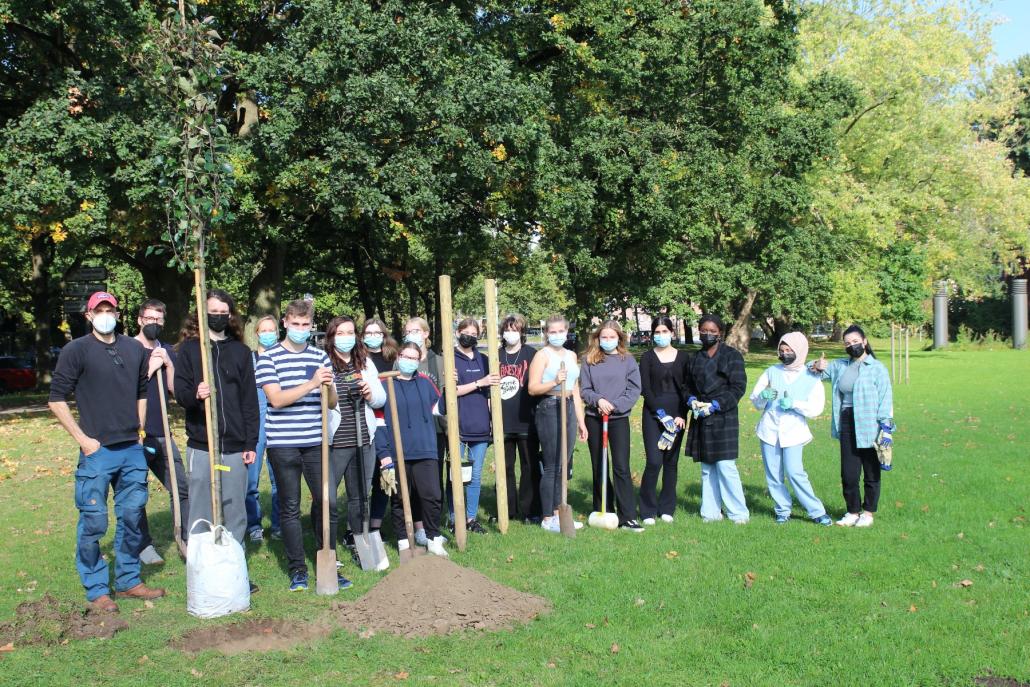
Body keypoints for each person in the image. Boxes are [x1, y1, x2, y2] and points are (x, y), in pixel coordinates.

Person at [48, 291, 165, 612]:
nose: (104, 314)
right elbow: (56, 399)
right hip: (97, 452)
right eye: (98, 310)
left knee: (131, 518)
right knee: (94, 521)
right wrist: (83, 440)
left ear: (117, 313)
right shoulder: (76, 350)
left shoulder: (132, 348)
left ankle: (129, 581)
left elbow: (143, 390)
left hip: (131, 449)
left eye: (109, 309)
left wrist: (140, 431)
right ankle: (97, 588)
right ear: (88, 315)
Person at [255, 299, 348, 592]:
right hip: (284, 443)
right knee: (291, 506)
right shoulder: (268, 358)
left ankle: (328, 562)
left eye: (305, 325)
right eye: (295, 324)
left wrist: (328, 384)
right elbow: (276, 399)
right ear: (285, 323)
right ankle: (297, 569)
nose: (300, 329)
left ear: (312, 326)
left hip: (317, 443)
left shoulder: (320, 357)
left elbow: (331, 403)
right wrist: (310, 384)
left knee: (328, 502)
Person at [173, 290, 260, 555]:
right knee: (200, 508)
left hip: (234, 446)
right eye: (213, 313)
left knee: (234, 509)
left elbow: (249, 401)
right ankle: (202, 565)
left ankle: (232, 564)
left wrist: (250, 442)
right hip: (202, 444)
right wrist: (196, 395)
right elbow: (181, 394)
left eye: (224, 313)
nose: (219, 318)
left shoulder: (241, 352)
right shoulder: (190, 351)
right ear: (201, 314)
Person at [810, 325, 894, 528]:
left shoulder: (877, 368)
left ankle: (868, 512)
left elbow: (885, 398)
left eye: (855, 341)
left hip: (870, 423)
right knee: (849, 472)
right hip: (847, 420)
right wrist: (817, 363)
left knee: (871, 471)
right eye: (847, 343)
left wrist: (886, 427)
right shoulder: (840, 366)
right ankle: (852, 511)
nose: (852, 345)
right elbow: (813, 370)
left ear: (864, 342)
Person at [749, 332, 832, 526]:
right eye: (782, 350)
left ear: (800, 351)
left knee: (795, 472)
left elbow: (816, 408)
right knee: (773, 474)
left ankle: (816, 511)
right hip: (769, 430)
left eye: (789, 350)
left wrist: (794, 403)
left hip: (793, 433)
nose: (785, 354)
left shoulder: (811, 375)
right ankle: (782, 510)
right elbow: (756, 400)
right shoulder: (771, 371)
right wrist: (764, 395)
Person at [375, 342, 448, 556]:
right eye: (405, 356)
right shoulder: (385, 382)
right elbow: (378, 421)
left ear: (419, 360)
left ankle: (433, 537)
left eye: (414, 358)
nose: (409, 361)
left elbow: (438, 408)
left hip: (425, 448)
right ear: (398, 356)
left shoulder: (424, 382)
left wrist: (449, 391)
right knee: (399, 498)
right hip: (397, 451)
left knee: (432, 495)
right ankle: (403, 541)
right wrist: (384, 454)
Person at [324, 315, 386, 567]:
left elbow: (380, 400)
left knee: (360, 495)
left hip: (364, 439)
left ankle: (359, 540)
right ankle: (327, 546)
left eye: (350, 332)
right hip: (337, 441)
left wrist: (371, 394)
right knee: (327, 496)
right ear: (331, 336)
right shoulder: (324, 363)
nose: (347, 337)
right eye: (341, 333)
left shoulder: (366, 363)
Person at [133, 298, 190, 563]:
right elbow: (122, 388)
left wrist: (168, 363)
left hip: (162, 432)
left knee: (181, 486)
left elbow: (175, 391)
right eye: (149, 318)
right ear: (139, 320)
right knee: (135, 492)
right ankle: (143, 545)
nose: (153, 323)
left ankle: (186, 538)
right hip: (135, 434)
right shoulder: (127, 348)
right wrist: (148, 369)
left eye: (158, 319)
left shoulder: (166, 349)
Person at [683, 314, 749, 524]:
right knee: (707, 467)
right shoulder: (694, 358)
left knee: (726, 466)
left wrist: (716, 405)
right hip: (701, 417)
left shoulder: (732, 356)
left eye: (712, 331)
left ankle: (738, 513)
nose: (708, 334)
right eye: (704, 330)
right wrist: (692, 400)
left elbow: (738, 387)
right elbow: (686, 387)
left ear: (720, 333)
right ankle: (710, 513)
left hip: (724, 416)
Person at [527, 314, 588, 533]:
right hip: (549, 406)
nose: (557, 335)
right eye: (552, 332)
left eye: (560, 331)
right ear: (546, 334)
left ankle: (559, 512)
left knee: (565, 463)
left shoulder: (571, 355)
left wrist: (581, 421)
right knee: (553, 464)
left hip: (569, 405)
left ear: (567, 331)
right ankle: (548, 516)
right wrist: (555, 381)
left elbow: (575, 389)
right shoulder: (542, 356)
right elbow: (533, 388)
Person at [580, 321, 643, 531]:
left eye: (611, 337)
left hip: (617, 419)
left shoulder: (628, 360)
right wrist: (598, 400)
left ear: (619, 338)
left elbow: (634, 390)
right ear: (598, 338)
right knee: (599, 466)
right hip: (595, 418)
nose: (607, 341)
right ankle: (604, 509)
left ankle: (628, 516)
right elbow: (585, 389)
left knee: (621, 467)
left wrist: (614, 406)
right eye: (604, 337)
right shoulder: (589, 360)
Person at [448, 318, 499, 534]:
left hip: (480, 426)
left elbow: (490, 394)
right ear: (458, 333)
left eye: (473, 332)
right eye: (465, 331)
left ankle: (470, 518)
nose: (469, 335)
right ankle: (453, 519)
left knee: (476, 475)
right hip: (458, 425)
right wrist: (479, 382)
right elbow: (452, 391)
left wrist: (491, 422)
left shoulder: (485, 359)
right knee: (456, 475)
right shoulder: (450, 359)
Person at [638, 316, 688, 525]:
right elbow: (645, 389)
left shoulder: (684, 357)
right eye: (656, 333)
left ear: (672, 333)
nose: (660, 336)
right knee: (654, 461)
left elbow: (687, 388)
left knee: (671, 462)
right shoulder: (647, 358)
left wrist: (681, 415)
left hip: (677, 416)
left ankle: (667, 507)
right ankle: (647, 509)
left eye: (664, 332)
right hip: (654, 414)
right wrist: (660, 413)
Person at [401, 316, 445, 544]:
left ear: (426, 334)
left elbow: (444, 399)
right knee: (412, 484)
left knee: (432, 482)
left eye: (416, 330)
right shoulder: (400, 361)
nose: (411, 334)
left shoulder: (438, 362)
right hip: (409, 433)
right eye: (408, 331)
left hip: (435, 430)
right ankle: (418, 528)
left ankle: (433, 527)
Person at [497, 313, 542, 523]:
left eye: (515, 329)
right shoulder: (495, 356)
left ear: (522, 332)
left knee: (529, 466)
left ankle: (529, 509)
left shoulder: (532, 355)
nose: (511, 333)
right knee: (505, 467)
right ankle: (507, 508)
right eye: (508, 329)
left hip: (526, 419)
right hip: (502, 420)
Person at [246, 315, 280, 542]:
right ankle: (253, 524)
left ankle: (279, 525)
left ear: (278, 333)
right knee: (251, 477)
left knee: (280, 477)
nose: (268, 334)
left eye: (272, 330)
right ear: (256, 334)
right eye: (263, 330)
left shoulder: (283, 359)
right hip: (255, 421)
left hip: (279, 419)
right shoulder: (248, 360)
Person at [361, 317, 396, 534]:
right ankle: (358, 525)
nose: (373, 337)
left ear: (384, 335)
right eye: (369, 333)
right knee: (365, 477)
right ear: (363, 336)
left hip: (389, 421)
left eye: (377, 333)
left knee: (385, 474)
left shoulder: (393, 358)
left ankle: (376, 525)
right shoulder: (359, 358)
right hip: (365, 420)